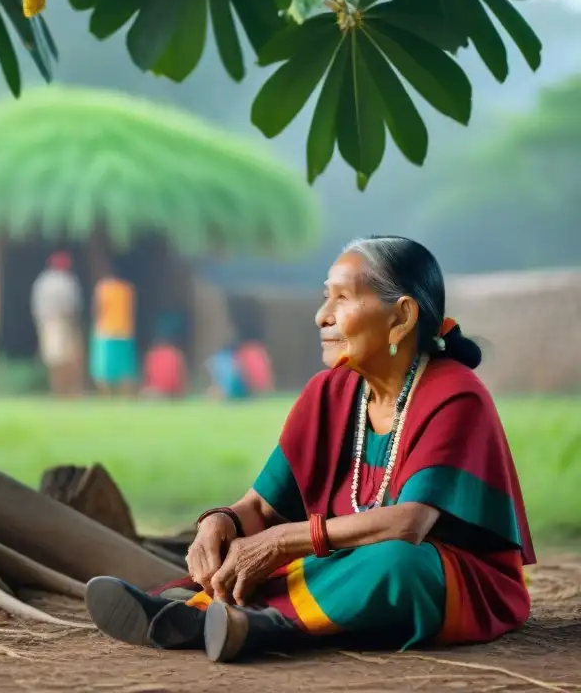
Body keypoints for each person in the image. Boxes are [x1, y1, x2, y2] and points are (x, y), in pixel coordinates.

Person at [84, 236, 534, 663]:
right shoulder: (328, 393)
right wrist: (219, 522)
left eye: (342, 298)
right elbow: (261, 504)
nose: (322, 315)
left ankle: (250, 622)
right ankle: (211, 614)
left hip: (450, 578)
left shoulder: (455, 395)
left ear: (401, 317)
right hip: (344, 559)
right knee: (262, 547)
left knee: (395, 564)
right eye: (325, 296)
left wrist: (281, 541)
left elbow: (410, 524)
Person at [30, 251, 83, 397]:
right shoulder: (67, 281)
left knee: (53, 359)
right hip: (64, 322)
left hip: (47, 323)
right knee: (67, 358)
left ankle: (57, 389)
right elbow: (73, 306)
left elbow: (36, 305)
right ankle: (67, 390)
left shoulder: (42, 281)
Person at [90, 270, 137, 395]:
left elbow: (97, 309)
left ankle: (107, 395)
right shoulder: (127, 289)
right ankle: (124, 396)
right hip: (124, 331)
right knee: (124, 368)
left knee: (102, 369)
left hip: (106, 331)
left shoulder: (102, 288)